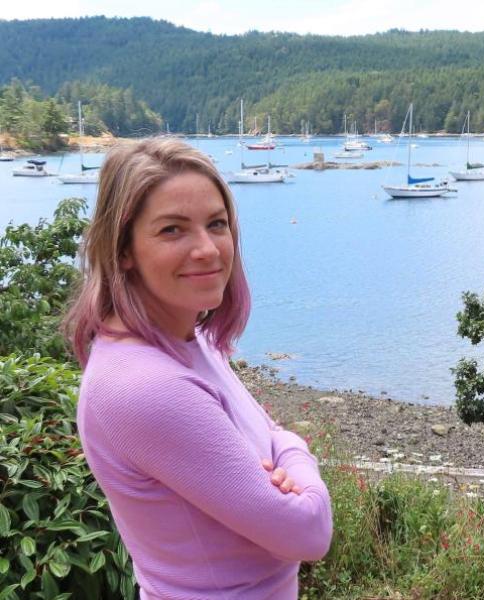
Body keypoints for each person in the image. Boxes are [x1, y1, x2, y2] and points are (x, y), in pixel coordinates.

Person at [64, 138, 333, 599]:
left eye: (217, 224)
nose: (208, 249)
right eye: (173, 230)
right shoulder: (146, 386)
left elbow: (269, 430)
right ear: (123, 249)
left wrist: (282, 447)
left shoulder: (191, 341)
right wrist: (299, 458)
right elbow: (308, 533)